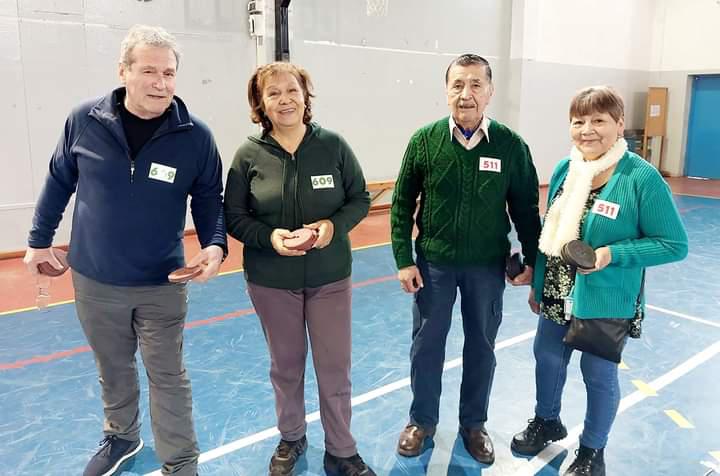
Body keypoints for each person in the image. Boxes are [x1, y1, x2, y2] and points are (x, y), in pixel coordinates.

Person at [23, 25, 227, 476]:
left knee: (168, 377)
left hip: (161, 282)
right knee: (112, 367)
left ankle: (182, 462)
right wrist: (38, 240)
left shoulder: (194, 135)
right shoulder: (84, 120)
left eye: (169, 73)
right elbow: (59, 180)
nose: (161, 83)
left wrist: (215, 245)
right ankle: (122, 438)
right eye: (149, 71)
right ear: (124, 71)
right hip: (95, 279)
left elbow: (211, 198)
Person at [510, 86, 688, 476]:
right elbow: (551, 233)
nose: (587, 130)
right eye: (578, 121)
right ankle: (546, 421)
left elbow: (674, 245)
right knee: (548, 360)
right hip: (558, 292)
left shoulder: (641, 178)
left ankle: (592, 450)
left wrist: (612, 255)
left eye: (598, 121)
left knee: (598, 376)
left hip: (606, 298)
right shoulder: (566, 169)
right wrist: (539, 283)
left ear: (619, 124)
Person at [224, 62, 374, 476]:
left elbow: (359, 198)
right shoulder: (248, 155)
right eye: (273, 94)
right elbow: (234, 216)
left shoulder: (333, 145)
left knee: (334, 366)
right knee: (286, 365)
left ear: (306, 96)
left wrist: (332, 227)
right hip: (271, 282)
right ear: (261, 104)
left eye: (292, 91)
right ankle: (291, 436)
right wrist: (270, 238)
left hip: (329, 277)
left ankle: (341, 449)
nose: (285, 100)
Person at [390, 53, 542, 465]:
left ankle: (473, 424)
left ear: (490, 92)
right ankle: (421, 421)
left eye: (476, 84)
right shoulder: (424, 140)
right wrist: (405, 259)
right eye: (458, 85)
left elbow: (526, 211)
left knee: (481, 347)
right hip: (433, 266)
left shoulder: (511, 146)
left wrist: (533, 263)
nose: (466, 94)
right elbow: (401, 203)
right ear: (446, 91)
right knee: (426, 347)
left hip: (486, 268)